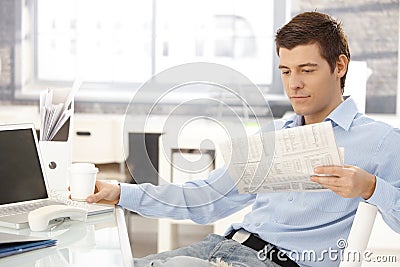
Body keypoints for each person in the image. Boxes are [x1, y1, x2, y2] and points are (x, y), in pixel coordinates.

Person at [86, 11, 400, 267]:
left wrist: (372, 188)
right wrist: (120, 193)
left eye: (307, 70)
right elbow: (206, 198)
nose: (294, 84)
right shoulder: (273, 136)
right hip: (221, 248)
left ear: (339, 66)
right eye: (286, 71)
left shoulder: (381, 141)